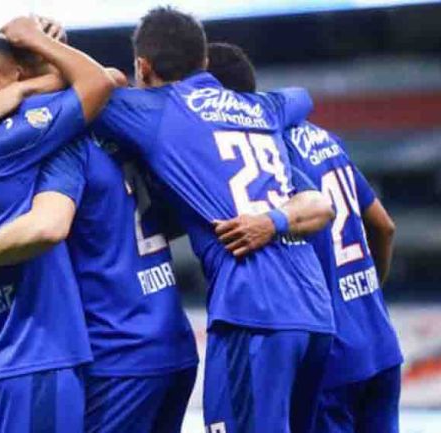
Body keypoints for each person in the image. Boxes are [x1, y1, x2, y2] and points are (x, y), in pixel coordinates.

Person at [89, 7, 336, 433]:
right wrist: (276, 218)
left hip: (252, 312)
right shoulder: (263, 110)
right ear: (203, 61)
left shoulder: (161, 113)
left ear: (143, 67)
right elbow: (303, 97)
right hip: (313, 311)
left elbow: (87, 91)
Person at [0, 26, 200, 433]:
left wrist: (22, 89)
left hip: (117, 351)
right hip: (168, 337)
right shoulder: (120, 121)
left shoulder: (59, 141)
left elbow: (48, 225)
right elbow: (110, 78)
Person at [208, 41, 403, 433]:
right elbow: (384, 225)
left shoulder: (263, 150)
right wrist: (368, 294)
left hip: (333, 356)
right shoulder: (324, 138)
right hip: (381, 344)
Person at [0, 17, 115, 432]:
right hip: (34, 360)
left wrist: (23, 84)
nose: (29, 80)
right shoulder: (8, 134)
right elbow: (101, 82)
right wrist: (33, 42)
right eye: (19, 74)